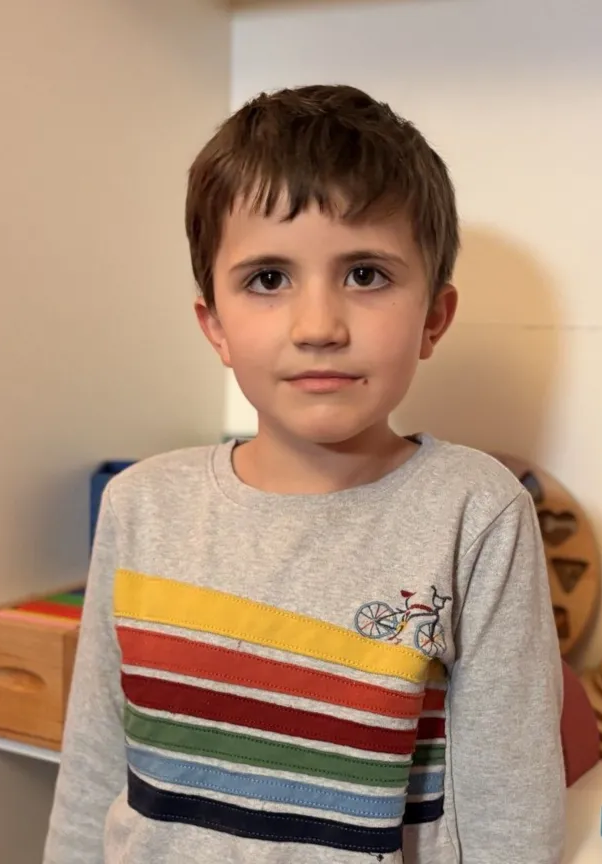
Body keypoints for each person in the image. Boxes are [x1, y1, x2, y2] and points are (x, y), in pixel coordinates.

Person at [43, 83, 565, 864]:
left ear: (434, 318)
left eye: (364, 275)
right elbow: (90, 777)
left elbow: (511, 818)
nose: (318, 327)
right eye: (267, 279)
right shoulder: (140, 507)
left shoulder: (478, 513)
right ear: (213, 324)